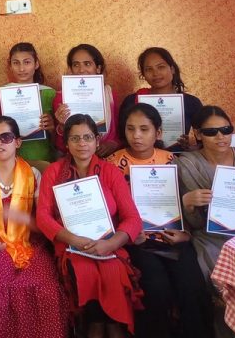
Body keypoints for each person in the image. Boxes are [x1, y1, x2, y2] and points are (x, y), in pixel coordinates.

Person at [107, 103, 213, 338]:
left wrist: (186, 234)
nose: (136, 136)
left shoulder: (174, 161)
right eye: (130, 129)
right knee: (156, 289)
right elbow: (109, 210)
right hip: (137, 241)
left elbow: (187, 207)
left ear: (159, 133)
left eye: (144, 129)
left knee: (191, 286)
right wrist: (128, 233)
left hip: (174, 238)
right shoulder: (112, 164)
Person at [37, 114, 142, 338]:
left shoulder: (110, 172)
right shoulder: (54, 172)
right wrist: (73, 240)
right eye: (75, 138)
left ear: (97, 141)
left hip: (108, 246)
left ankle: (111, 326)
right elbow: (43, 218)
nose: (82, 143)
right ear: (66, 143)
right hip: (71, 246)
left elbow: (133, 218)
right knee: (84, 271)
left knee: (113, 271)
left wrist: (111, 243)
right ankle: (96, 326)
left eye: (87, 137)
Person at [0, 116, 68, 338]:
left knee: (46, 289)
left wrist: (21, 218)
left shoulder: (33, 174)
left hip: (29, 242)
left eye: (6, 137)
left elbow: (44, 223)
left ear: (17, 142)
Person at [174, 105, 235, 282]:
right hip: (209, 237)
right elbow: (196, 224)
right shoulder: (188, 164)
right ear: (198, 134)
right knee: (226, 278)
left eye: (226, 130)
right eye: (211, 132)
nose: (221, 137)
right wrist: (187, 203)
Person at [118, 47, 202, 152]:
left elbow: (204, 139)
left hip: (177, 161)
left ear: (172, 69)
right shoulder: (132, 101)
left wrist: (192, 148)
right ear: (143, 74)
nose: (155, 73)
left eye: (161, 67)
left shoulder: (191, 103)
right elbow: (121, 138)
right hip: (139, 161)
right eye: (149, 69)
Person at [53, 44, 120, 157]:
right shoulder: (61, 98)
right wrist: (61, 125)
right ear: (71, 69)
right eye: (76, 65)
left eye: (87, 64)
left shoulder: (109, 94)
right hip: (74, 158)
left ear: (98, 68)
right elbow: (60, 146)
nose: (81, 70)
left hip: (106, 157)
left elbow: (119, 132)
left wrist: (113, 144)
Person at [4, 42, 57, 165]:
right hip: (12, 161)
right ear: (10, 66)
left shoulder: (49, 94)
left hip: (43, 158)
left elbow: (62, 137)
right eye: (16, 63)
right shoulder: (2, 94)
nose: (21, 68)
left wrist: (52, 127)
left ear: (36, 64)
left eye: (27, 62)